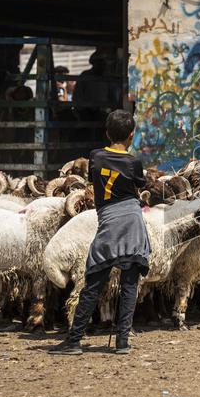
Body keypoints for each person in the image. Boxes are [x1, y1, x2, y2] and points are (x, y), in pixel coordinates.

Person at [49, 110, 150, 355]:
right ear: (131, 136)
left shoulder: (96, 156)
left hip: (108, 221)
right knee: (129, 284)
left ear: (107, 133)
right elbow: (139, 184)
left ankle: (74, 340)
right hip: (133, 222)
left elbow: (97, 179)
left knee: (93, 281)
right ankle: (122, 342)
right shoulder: (134, 162)